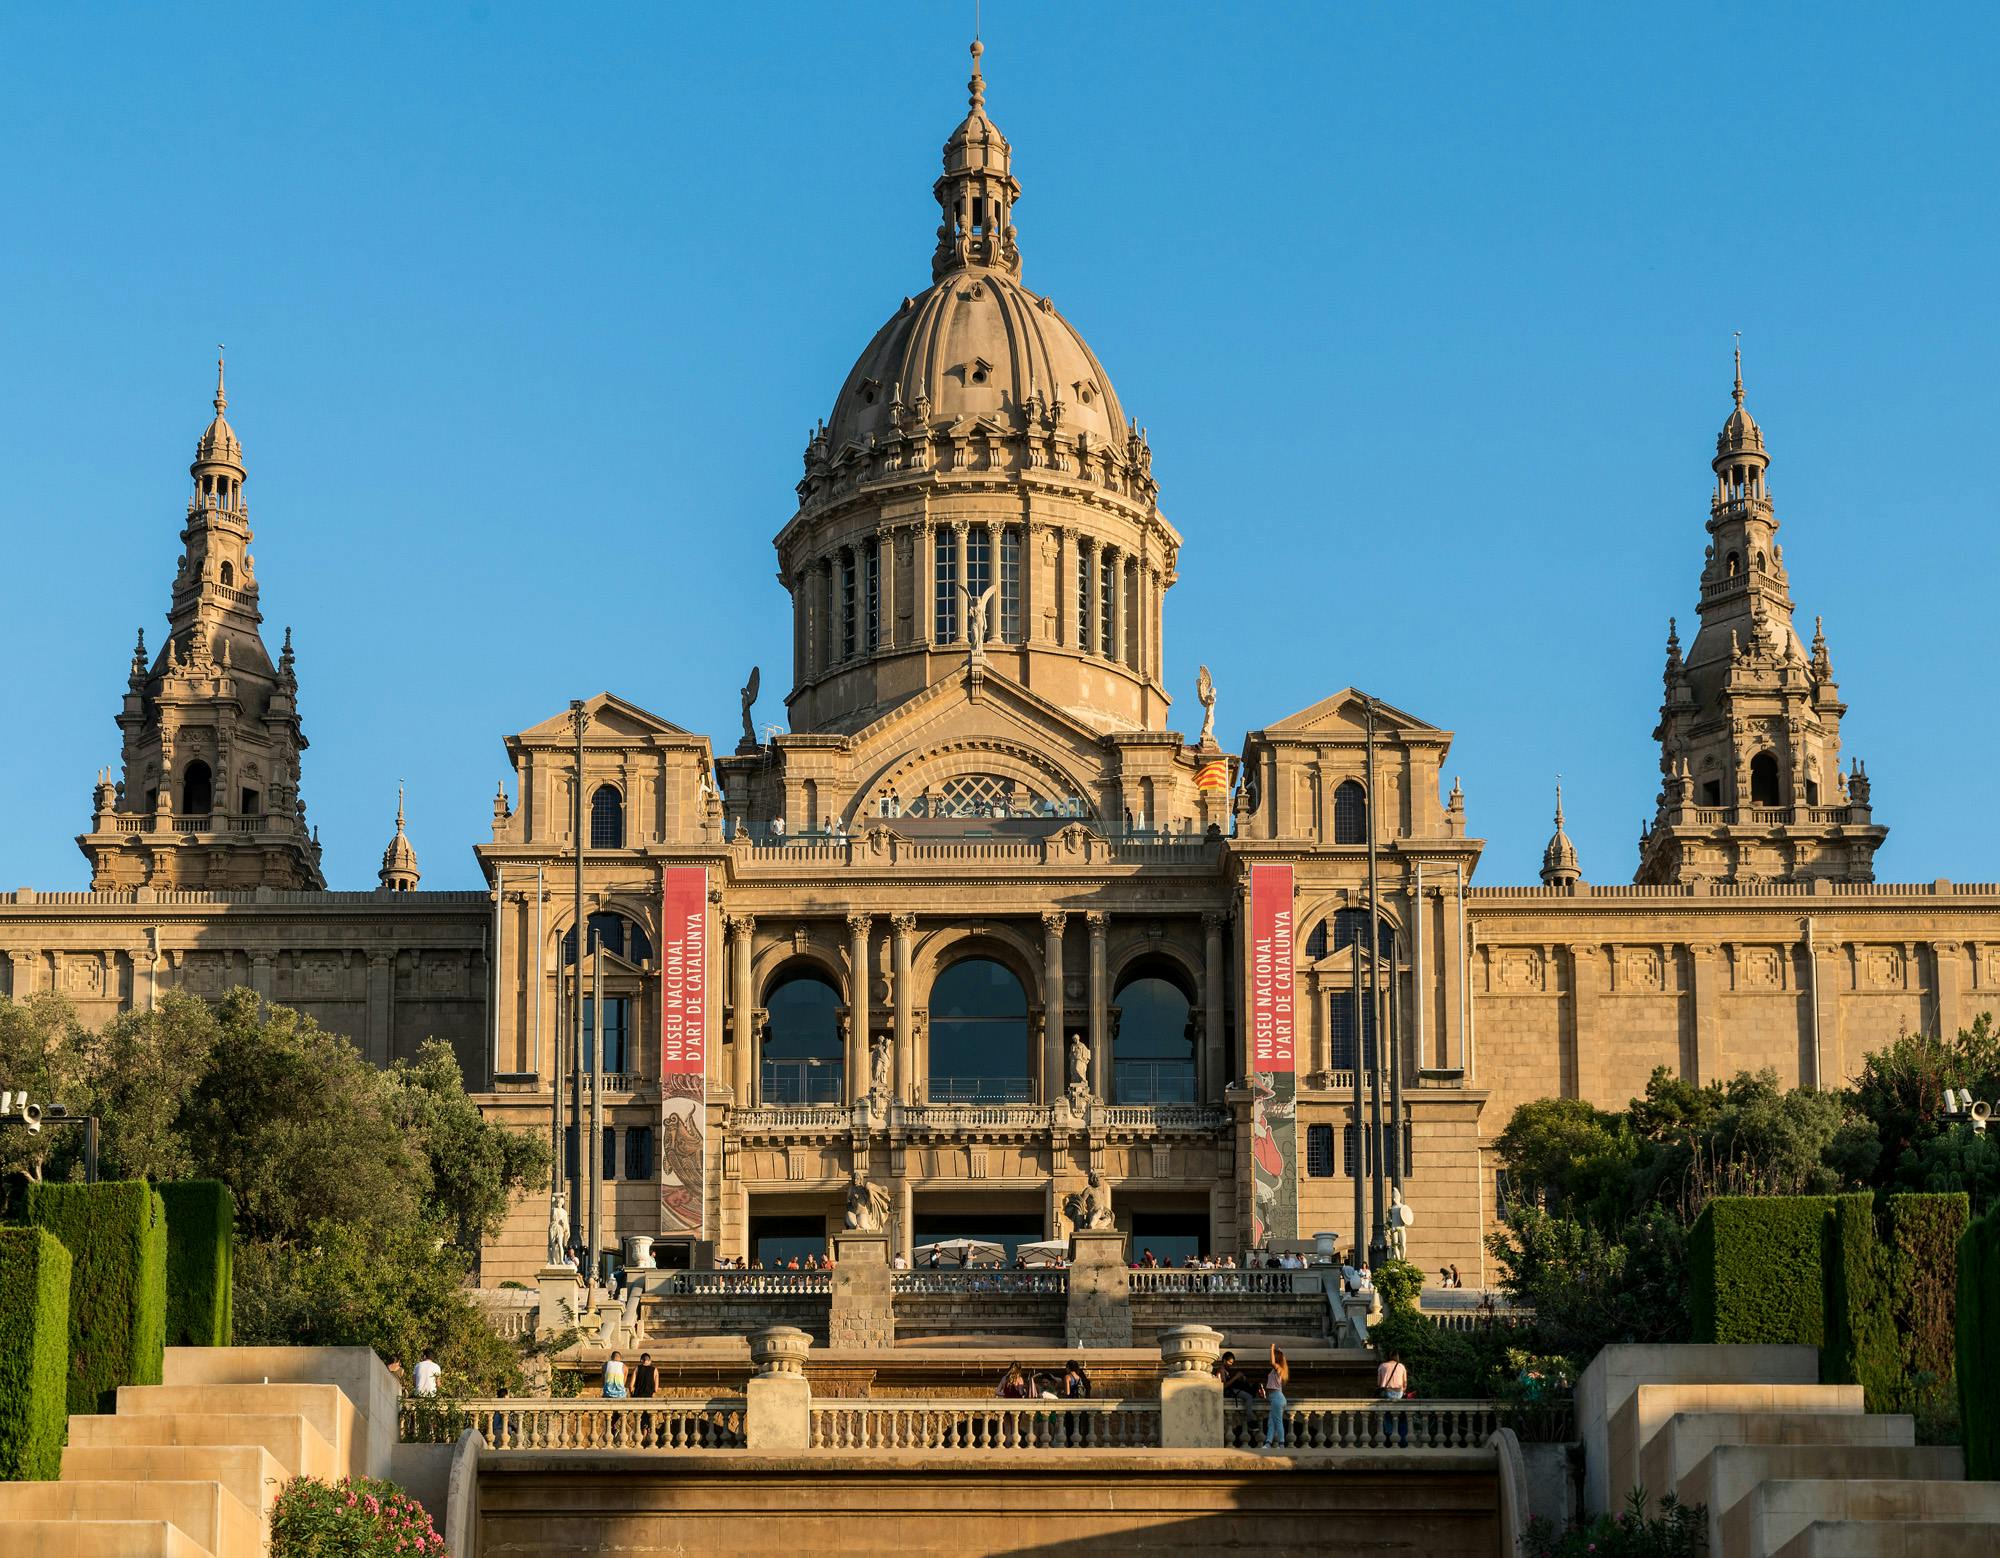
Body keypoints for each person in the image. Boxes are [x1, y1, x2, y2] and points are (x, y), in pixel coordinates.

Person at [1264, 1345, 1290, 1449]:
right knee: (1271, 1422)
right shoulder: (1279, 1369)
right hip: (1276, 1397)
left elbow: (1272, 1362)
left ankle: (1281, 1443)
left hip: (1277, 1398)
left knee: (1278, 1421)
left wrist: (1271, 1348)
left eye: (1274, 1356)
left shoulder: (1278, 1368)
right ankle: (1268, 1443)